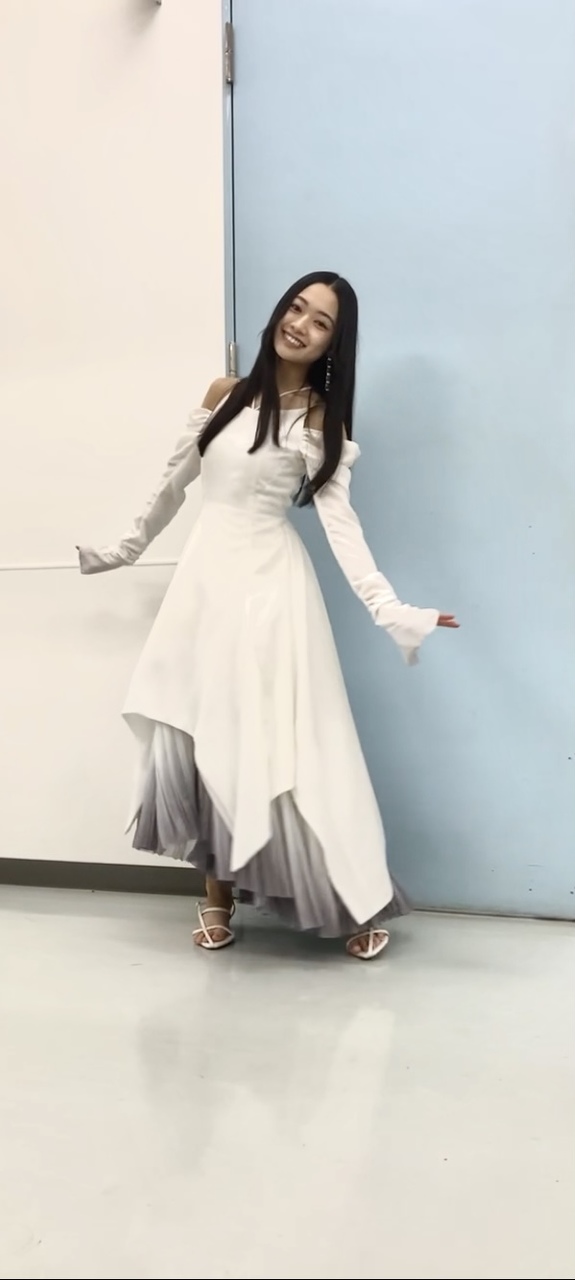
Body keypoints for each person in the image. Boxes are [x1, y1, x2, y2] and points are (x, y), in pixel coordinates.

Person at [78, 271, 458, 961]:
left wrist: (391, 609)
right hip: (205, 585)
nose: (300, 325)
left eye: (320, 322)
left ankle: (349, 900)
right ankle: (216, 897)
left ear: (332, 345)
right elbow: (172, 484)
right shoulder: (223, 393)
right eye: (296, 308)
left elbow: (342, 528)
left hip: (272, 592)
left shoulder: (319, 420)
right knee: (203, 728)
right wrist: (122, 551)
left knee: (288, 742)